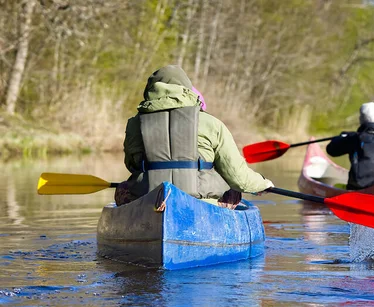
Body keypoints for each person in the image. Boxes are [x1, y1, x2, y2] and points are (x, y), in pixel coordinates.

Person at [115, 65, 273, 209]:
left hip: (148, 202)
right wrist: (262, 184)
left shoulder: (134, 124)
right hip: (202, 204)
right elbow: (240, 179)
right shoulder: (211, 123)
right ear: (187, 89)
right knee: (234, 190)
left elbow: (132, 165)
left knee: (123, 189)